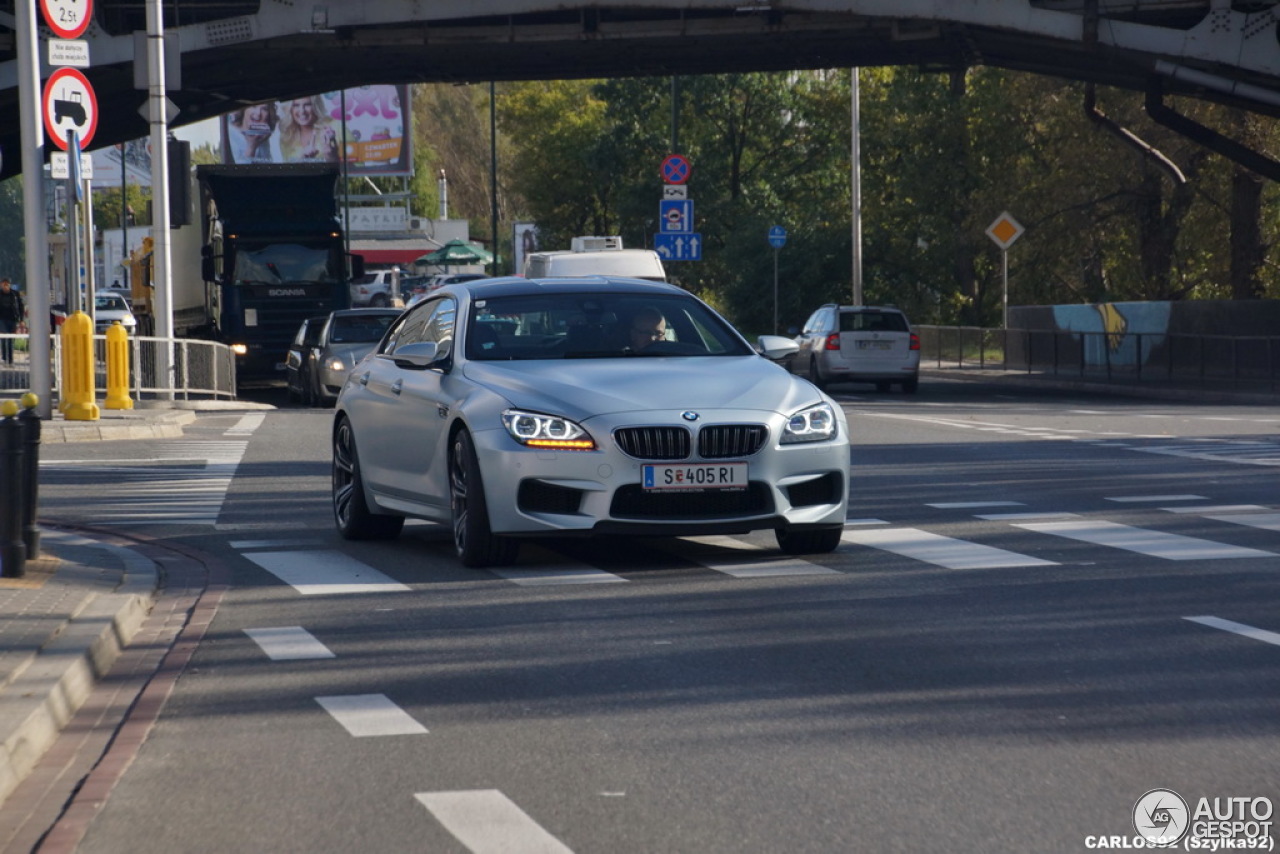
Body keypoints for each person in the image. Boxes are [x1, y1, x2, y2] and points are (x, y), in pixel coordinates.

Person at [278, 96, 339, 163]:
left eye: (307, 104)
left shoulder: (335, 126)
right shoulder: (286, 137)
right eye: (296, 105)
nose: (302, 111)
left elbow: (351, 169)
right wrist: (303, 159)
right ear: (290, 109)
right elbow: (288, 171)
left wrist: (332, 157)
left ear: (316, 106)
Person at [0, 278, 25, 364]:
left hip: (13, 319)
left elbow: (21, 307)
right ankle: (4, 357)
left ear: (10, 285)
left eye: (7, 284)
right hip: (2, 319)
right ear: (1, 285)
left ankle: (10, 359)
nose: (5, 286)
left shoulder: (15, 294)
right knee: (4, 337)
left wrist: (21, 319)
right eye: (4, 284)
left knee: (11, 339)